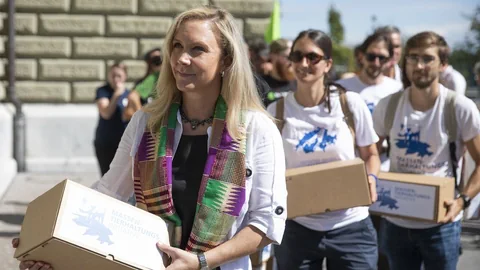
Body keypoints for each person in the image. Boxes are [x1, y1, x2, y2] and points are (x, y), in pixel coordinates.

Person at [12, 6, 288, 270]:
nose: (181, 58)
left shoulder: (256, 129)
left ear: (227, 60)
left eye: (197, 49)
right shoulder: (146, 122)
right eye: (177, 46)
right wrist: (48, 241)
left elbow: (265, 223)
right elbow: (108, 194)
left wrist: (200, 262)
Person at [269, 29, 380, 270]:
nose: (303, 63)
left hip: (352, 227)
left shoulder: (349, 104)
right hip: (297, 228)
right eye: (297, 56)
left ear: (328, 64)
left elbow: (371, 154)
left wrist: (371, 178)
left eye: (313, 57)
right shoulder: (275, 112)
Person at [373, 31, 480, 270]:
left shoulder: (459, 107)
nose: (419, 65)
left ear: (442, 64)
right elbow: (369, 154)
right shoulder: (388, 106)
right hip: (395, 222)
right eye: (412, 58)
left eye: (427, 59)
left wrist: (462, 201)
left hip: (441, 224)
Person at [93, 62, 130, 176]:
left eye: (119, 76)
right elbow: (106, 113)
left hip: (123, 142)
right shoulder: (103, 91)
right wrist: (116, 95)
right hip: (106, 141)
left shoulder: (129, 94)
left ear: (125, 76)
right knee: (107, 176)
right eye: (112, 75)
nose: (115, 79)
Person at [123, 48, 163, 122]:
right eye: (156, 60)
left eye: (162, 58)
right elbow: (132, 98)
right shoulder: (154, 78)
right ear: (149, 63)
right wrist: (143, 119)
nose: (160, 62)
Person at [262, 38, 296, 107]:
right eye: (288, 57)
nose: (292, 61)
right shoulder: (260, 84)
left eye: (295, 57)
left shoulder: (300, 83)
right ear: (273, 55)